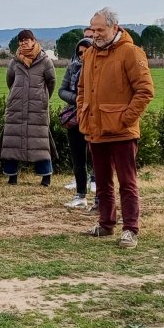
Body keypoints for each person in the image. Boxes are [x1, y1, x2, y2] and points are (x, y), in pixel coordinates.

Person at [77, 7, 155, 249]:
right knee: (101, 181)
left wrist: (124, 119)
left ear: (114, 27)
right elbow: (81, 90)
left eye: (100, 29)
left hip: (122, 132)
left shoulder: (131, 53)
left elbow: (145, 91)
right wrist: (83, 113)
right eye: (93, 30)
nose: (95, 34)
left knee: (127, 182)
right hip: (95, 129)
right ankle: (106, 223)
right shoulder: (88, 54)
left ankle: (130, 228)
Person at [2, 30, 56, 186]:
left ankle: (46, 177)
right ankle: (12, 176)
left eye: (26, 40)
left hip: (37, 108)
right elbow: (10, 82)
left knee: (40, 142)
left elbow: (51, 82)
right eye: (21, 41)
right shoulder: (14, 62)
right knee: (13, 141)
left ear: (34, 40)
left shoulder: (45, 61)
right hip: (16, 107)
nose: (23, 43)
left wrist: (42, 98)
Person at [59, 37, 95, 208]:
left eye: (85, 51)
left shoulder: (99, 69)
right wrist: (78, 100)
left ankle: (99, 195)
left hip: (94, 117)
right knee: (78, 158)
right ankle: (80, 194)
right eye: (79, 52)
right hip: (75, 117)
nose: (82, 55)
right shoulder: (72, 68)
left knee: (96, 157)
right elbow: (61, 90)